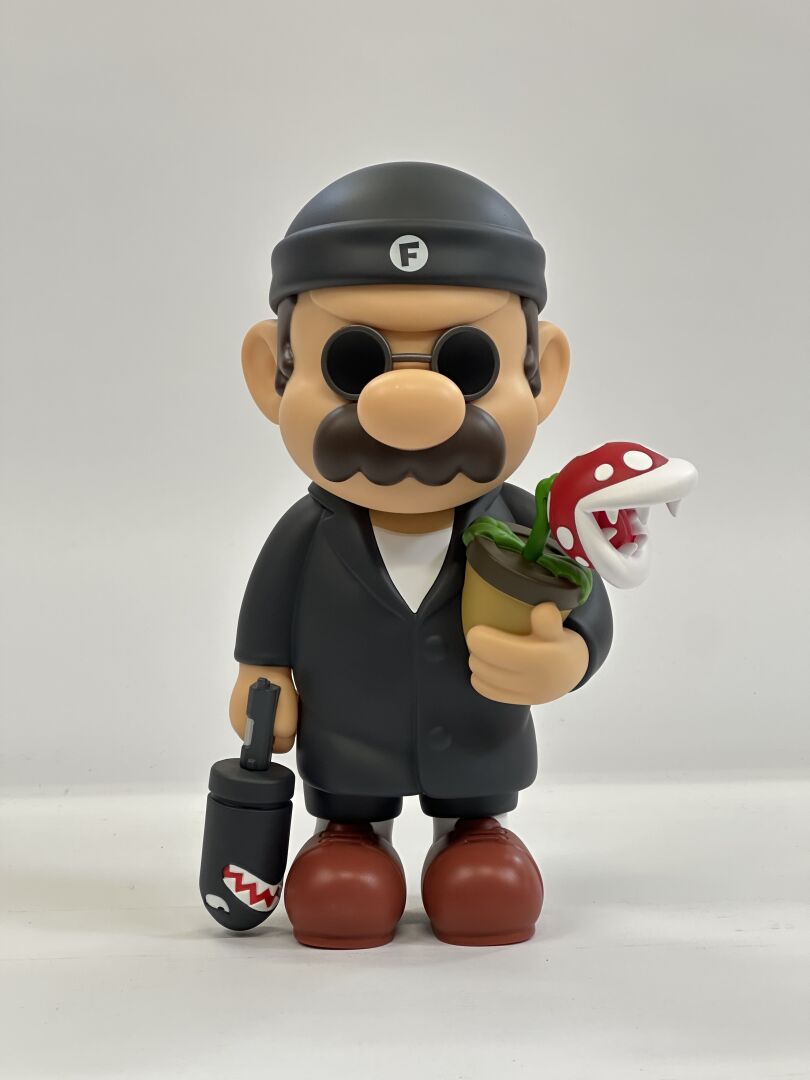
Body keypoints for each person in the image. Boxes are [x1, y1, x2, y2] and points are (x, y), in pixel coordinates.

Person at [230, 162, 613, 948]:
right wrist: (261, 684)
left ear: (543, 377)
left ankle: (472, 836)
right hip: (347, 748)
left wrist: (567, 655)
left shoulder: (527, 525)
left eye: (467, 366)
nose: (412, 407)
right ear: (273, 375)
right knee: (343, 881)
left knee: (484, 883)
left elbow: (584, 603)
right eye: (353, 365)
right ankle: (351, 839)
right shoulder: (307, 535)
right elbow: (266, 635)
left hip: (478, 742)